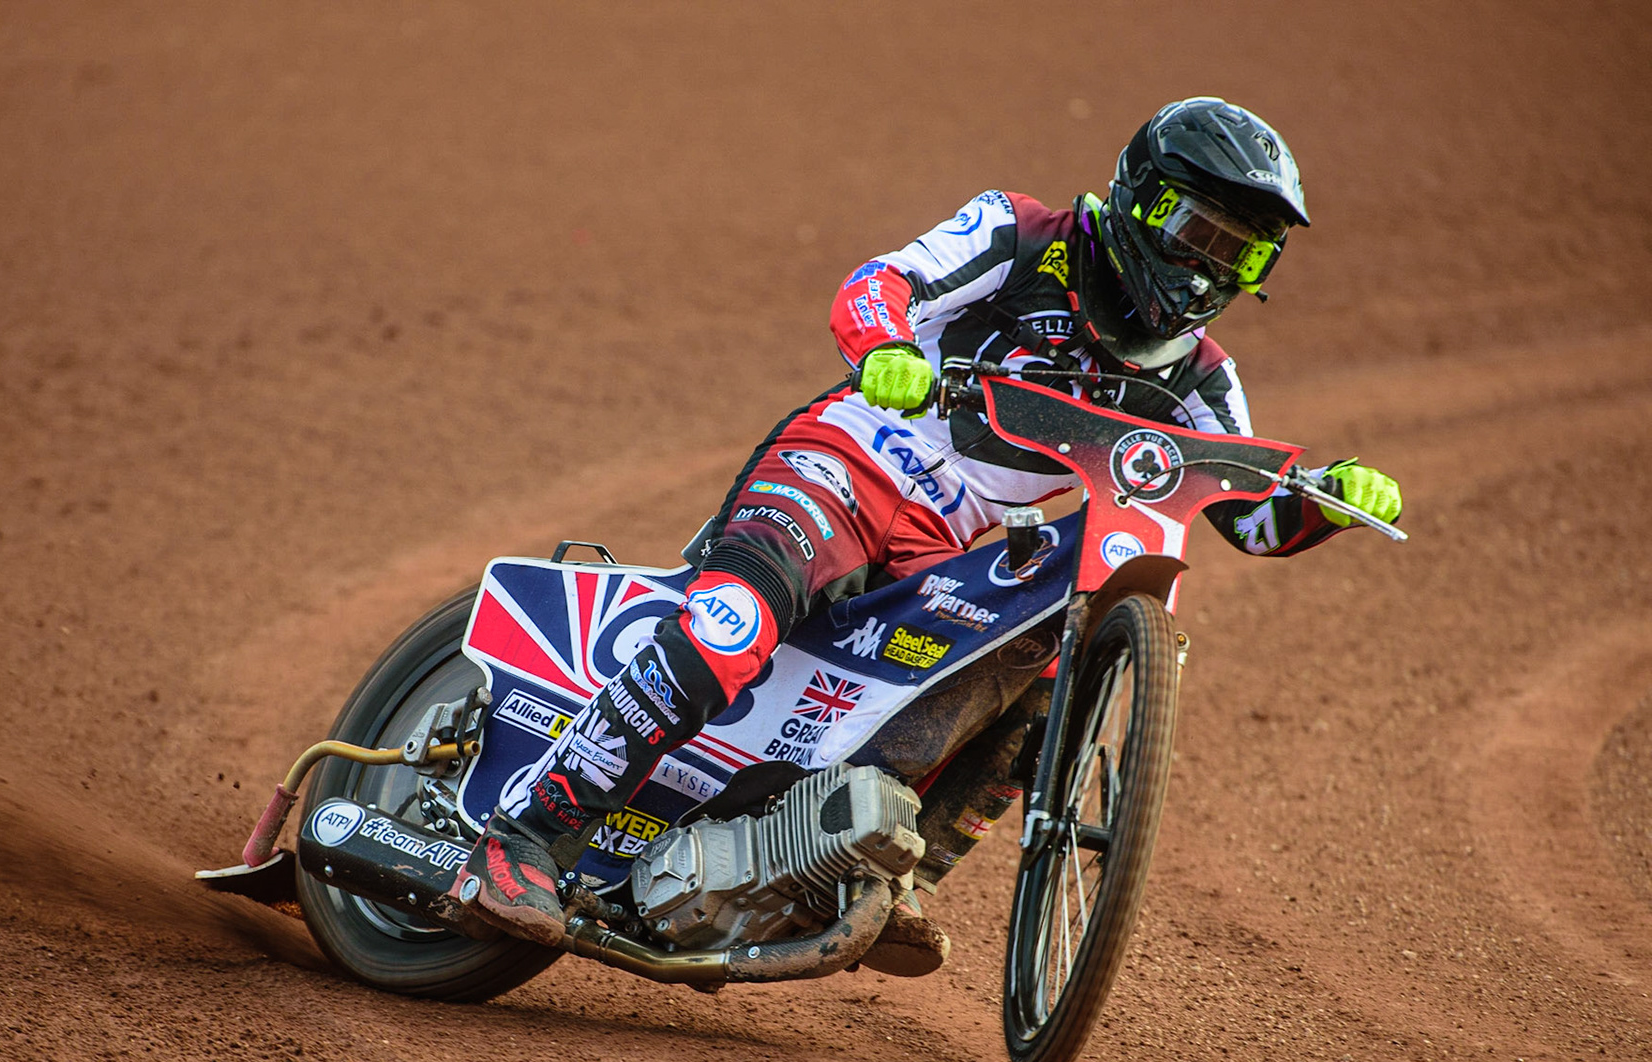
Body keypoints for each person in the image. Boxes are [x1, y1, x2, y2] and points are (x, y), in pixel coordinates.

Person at [450, 97, 1402, 971]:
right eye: (1199, 232)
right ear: (1142, 204)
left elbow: (1250, 515)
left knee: (1035, 679)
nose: (1210, 268)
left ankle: (869, 868)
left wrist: (1325, 501)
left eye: (1243, 255)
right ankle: (523, 834)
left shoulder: (1204, 380)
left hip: (966, 544)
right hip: (856, 462)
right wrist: (892, 350)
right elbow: (879, 284)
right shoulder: (1024, 233)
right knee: (732, 623)